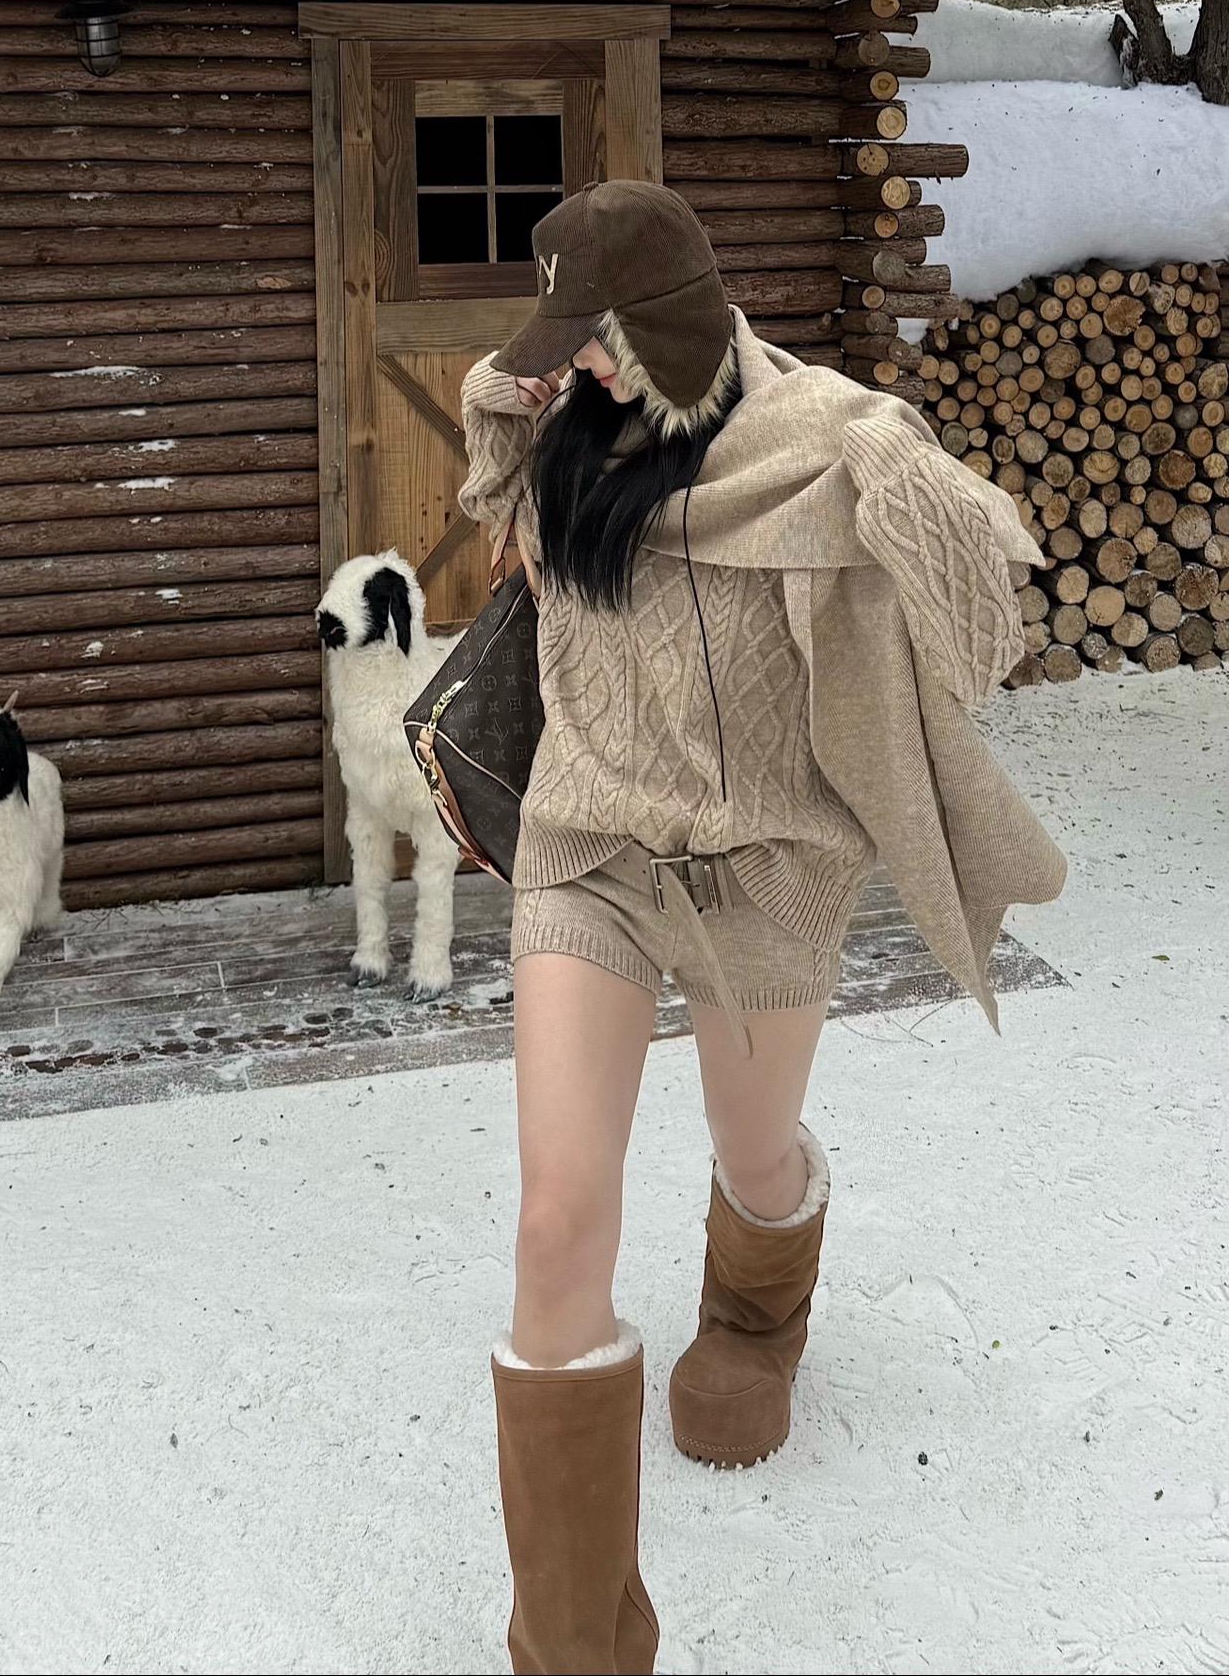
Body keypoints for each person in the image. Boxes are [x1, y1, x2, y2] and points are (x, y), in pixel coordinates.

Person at [457, 179, 1065, 1676]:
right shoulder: (556, 422)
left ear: (665, 328)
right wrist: (505, 403)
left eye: (591, 337)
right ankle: (575, 1651)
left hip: (768, 857)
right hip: (591, 842)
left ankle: (753, 1309)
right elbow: (493, 475)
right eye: (555, 337)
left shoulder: (826, 446)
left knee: (755, 1152)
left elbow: (990, 625)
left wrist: (905, 482)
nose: (565, 365)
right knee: (555, 1223)